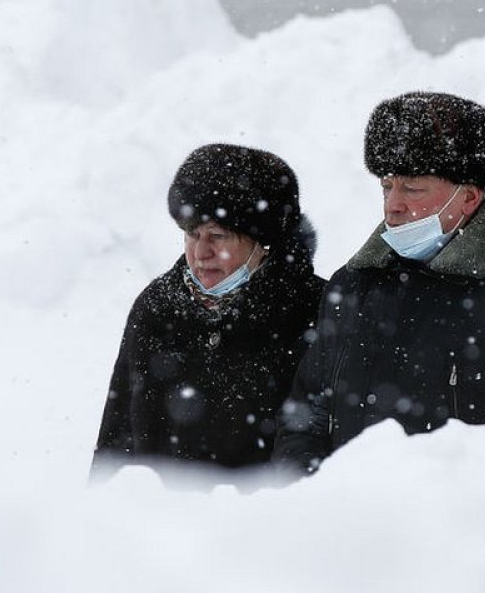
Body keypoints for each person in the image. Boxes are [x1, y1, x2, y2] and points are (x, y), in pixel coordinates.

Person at [275, 91, 485, 473]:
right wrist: (314, 497)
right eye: (387, 186)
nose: (392, 204)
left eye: (412, 188)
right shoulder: (351, 288)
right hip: (347, 527)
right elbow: (305, 421)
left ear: (468, 197)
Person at [92, 143, 326, 482]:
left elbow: (332, 453)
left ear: (263, 242)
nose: (201, 252)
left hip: (267, 527)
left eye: (218, 236)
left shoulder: (316, 311)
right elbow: (116, 441)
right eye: (192, 234)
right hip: (157, 529)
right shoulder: (158, 308)